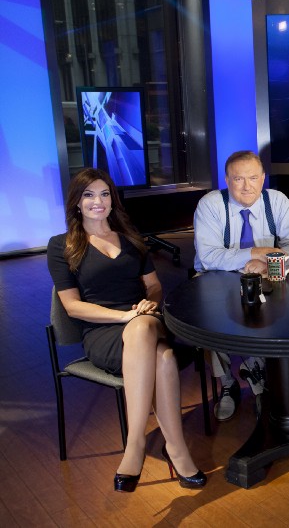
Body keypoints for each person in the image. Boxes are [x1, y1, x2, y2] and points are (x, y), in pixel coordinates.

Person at [47, 168, 206, 493]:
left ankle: (135, 446)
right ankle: (176, 449)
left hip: (147, 320)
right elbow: (73, 307)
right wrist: (123, 318)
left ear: (113, 199)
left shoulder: (131, 239)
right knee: (163, 359)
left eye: (104, 194)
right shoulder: (61, 246)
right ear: (76, 202)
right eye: (89, 195)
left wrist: (149, 303)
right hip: (103, 331)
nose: (98, 201)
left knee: (143, 326)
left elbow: (154, 286)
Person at [194, 150, 289, 420]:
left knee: (280, 310)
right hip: (216, 276)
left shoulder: (276, 200)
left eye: (253, 178)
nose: (247, 186)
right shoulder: (211, 204)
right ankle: (229, 383)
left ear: (263, 178)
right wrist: (257, 253)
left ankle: (260, 376)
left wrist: (272, 262)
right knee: (211, 319)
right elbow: (208, 257)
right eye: (238, 179)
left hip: (265, 275)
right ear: (227, 180)